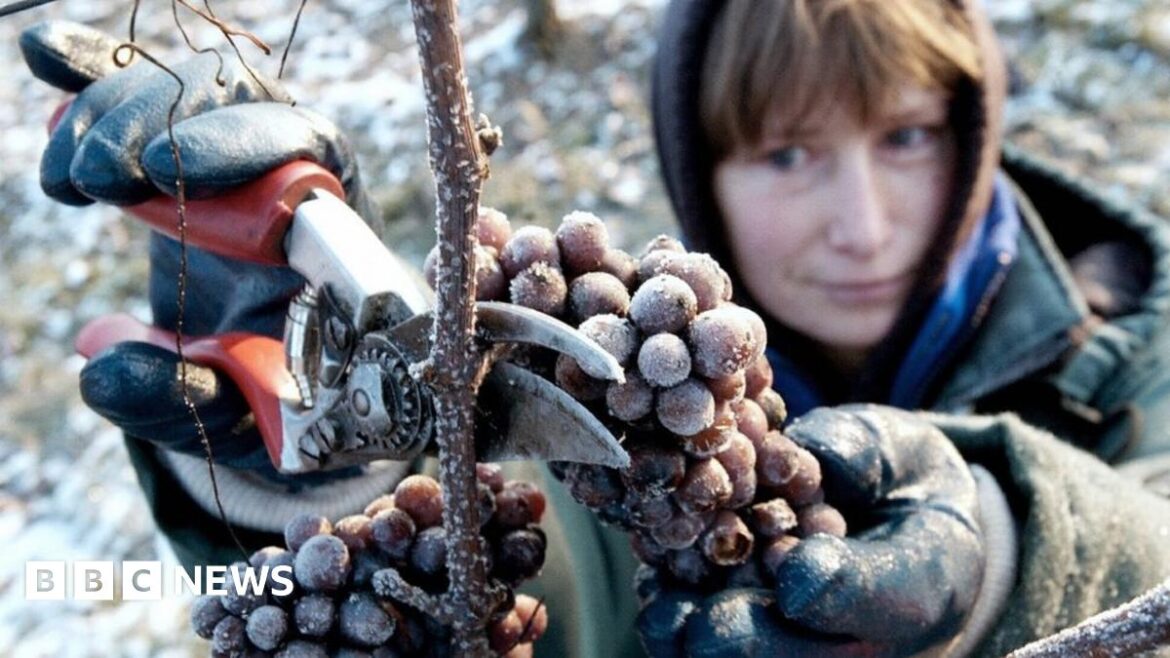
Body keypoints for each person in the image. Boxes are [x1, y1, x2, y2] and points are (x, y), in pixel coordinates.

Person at [18, 0, 1170, 655]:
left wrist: (1015, 557)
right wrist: (321, 495)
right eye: (787, 152)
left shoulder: (1146, 359)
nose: (862, 226)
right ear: (701, 175)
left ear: (970, 134)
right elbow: (541, 604)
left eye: (906, 135)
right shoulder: (607, 414)